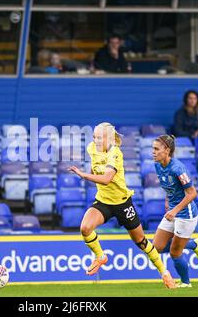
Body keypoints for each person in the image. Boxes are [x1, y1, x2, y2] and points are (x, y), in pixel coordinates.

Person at [69, 122, 176, 289]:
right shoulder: (91, 148)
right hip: (104, 201)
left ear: (109, 138)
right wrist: (89, 172)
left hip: (122, 203)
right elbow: (95, 168)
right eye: (94, 136)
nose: (95, 140)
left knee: (141, 242)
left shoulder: (115, 154)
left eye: (99, 137)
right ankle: (100, 256)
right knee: (85, 228)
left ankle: (165, 273)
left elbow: (106, 179)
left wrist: (84, 175)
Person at [151, 135, 198, 288]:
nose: (152, 152)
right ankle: (193, 244)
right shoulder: (158, 165)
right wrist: (168, 199)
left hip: (186, 214)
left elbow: (192, 193)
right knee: (157, 248)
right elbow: (169, 186)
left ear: (167, 150)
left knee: (175, 253)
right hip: (173, 211)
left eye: (156, 149)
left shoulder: (178, 168)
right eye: (152, 149)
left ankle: (186, 283)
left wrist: (175, 210)